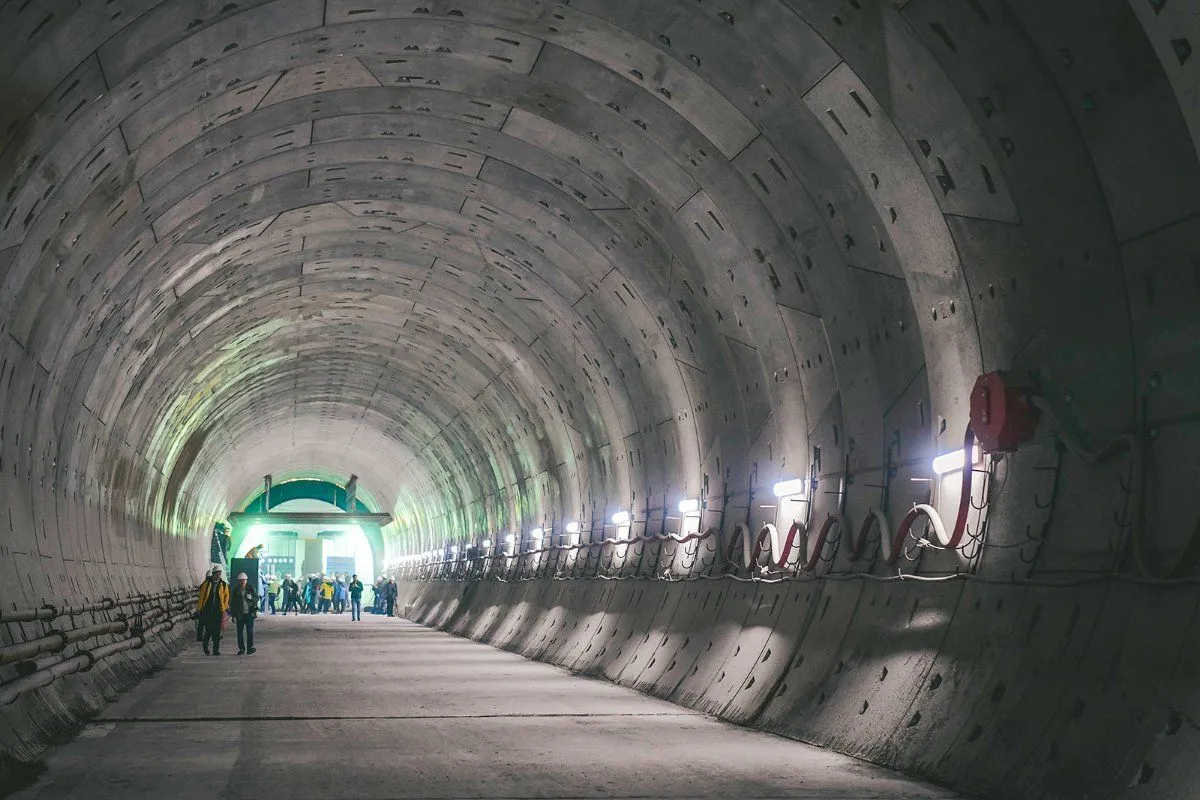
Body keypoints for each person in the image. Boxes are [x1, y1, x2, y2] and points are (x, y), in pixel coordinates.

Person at [196, 565, 229, 656]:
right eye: (217, 574)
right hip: (207, 610)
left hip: (218, 611)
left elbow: (226, 596)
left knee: (217, 631)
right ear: (213, 574)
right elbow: (202, 597)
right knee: (209, 630)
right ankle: (205, 646)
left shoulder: (223, 585)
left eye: (220, 574)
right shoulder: (207, 584)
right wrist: (199, 609)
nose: (218, 576)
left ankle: (216, 649)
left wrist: (224, 607)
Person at [230, 572, 259, 655]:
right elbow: (233, 603)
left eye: (244, 580)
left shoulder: (250, 588)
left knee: (249, 631)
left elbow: (256, 598)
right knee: (240, 632)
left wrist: (252, 598)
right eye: (241, 580)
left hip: (249, 613)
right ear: (239, 581)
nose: (243, 581)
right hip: (240, 614)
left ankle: (250, 648)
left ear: (246, 580)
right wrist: (233, 616)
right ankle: (241, 649)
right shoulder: (236, 590)